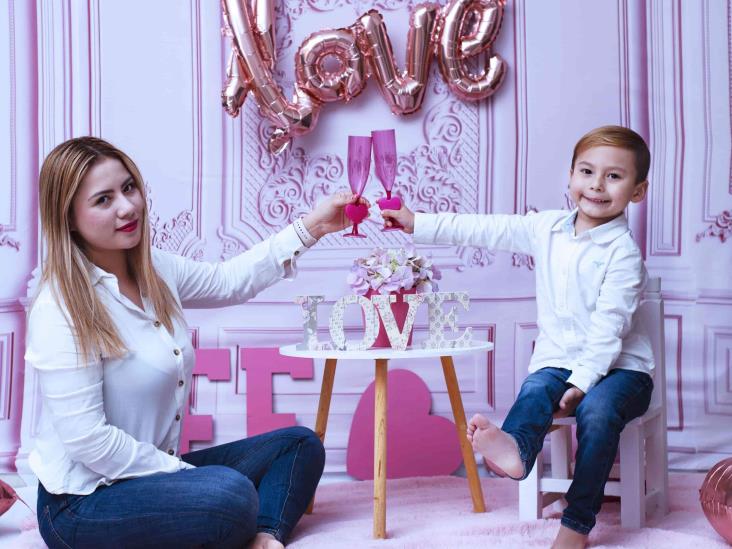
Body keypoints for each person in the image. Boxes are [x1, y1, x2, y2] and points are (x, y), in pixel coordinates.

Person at [27, 136, 368, 549]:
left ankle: (265, 537)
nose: (127, 207)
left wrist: (312, 226)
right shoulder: (61, 306)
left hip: (149, 475)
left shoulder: (156, 270)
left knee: (298, 446)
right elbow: (88, 442)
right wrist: (185, 476)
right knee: (227, 495)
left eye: (129, 187)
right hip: (80, 504)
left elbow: (230, 281)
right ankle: (233, 517)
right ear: (69, 219)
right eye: (103, 200)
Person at [382, 125, 655, 549]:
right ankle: (516, 451)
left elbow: (610, 328)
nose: (597, 185)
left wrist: (583, 381)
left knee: (597, 414)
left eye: (614, 176)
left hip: (622, 370)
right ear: (569, 177)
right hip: (559, 360)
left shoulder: (623, 254)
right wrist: (418, 222)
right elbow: (484, 228)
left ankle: (577, 524)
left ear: (637, 191)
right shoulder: (546, 228)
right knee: (534, 391)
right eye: (587, 171)